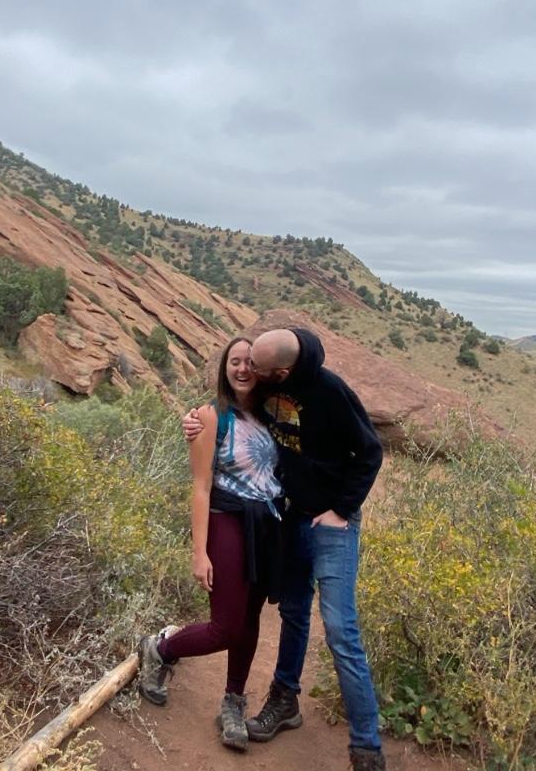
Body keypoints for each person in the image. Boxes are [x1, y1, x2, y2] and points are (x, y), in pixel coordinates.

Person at [183, 327, 386, 771]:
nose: (251, 372)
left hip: (332, 523)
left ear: (283, 371)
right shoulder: (267, 388)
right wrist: (196, 420)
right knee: (293, 612)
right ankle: (285, 699)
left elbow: (371, 452)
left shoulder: (330, 391)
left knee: (340, 629)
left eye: (258, 367)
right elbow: (231, 413)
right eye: (247, 364)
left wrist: (341, 510)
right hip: (291, 517)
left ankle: (367, 747)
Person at [136, 336, 285, 752]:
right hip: (228, 520)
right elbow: (200, 487)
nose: (242, 369)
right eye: (234, 361)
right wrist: (199, 552)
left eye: (249, 362)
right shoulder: (210, 416)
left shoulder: (270, 415)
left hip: (266, 527)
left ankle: (233, 702)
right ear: (224, 368)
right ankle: (161, 649)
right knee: (226, 627)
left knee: (250, 619)